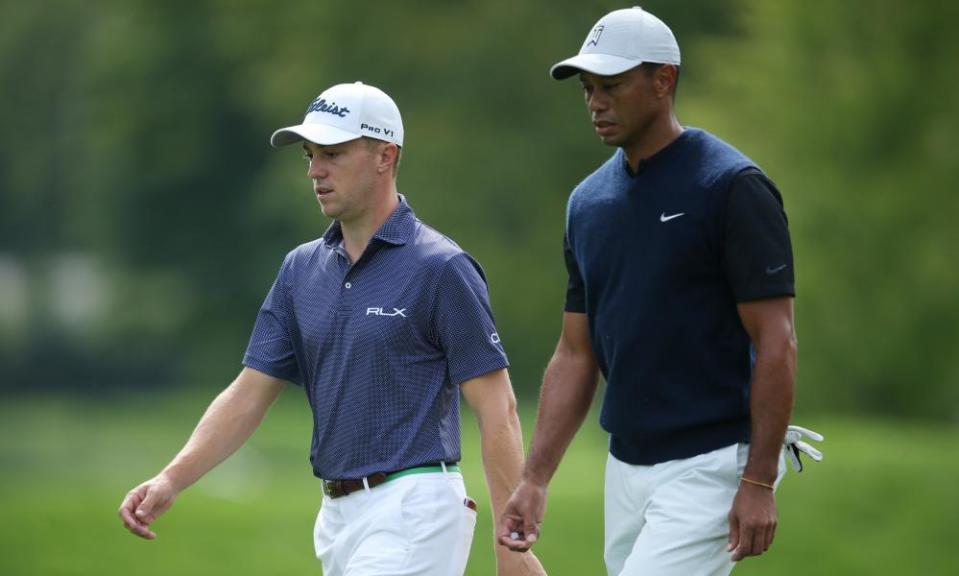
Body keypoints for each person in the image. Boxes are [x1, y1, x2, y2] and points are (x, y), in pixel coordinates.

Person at [119, 81, 545, 576]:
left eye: (333, 154)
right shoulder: (301, 270)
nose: (315, 170)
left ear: (385, 155)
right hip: (336, 519)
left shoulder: (440, 268)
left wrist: (511, 548)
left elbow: (499, 410)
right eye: (310, 155)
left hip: (414, 507)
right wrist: (171, 479)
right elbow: (249, 393)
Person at [498, 7, 820, 575]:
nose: (596, 102)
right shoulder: (587, 204)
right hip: (625, 467)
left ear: (663, 80)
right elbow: (576, 353)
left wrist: (759, 479)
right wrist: (534, 478)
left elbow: (777, 340)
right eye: (588, 89)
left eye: (612, 86)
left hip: (711, 465)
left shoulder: (731, 187)